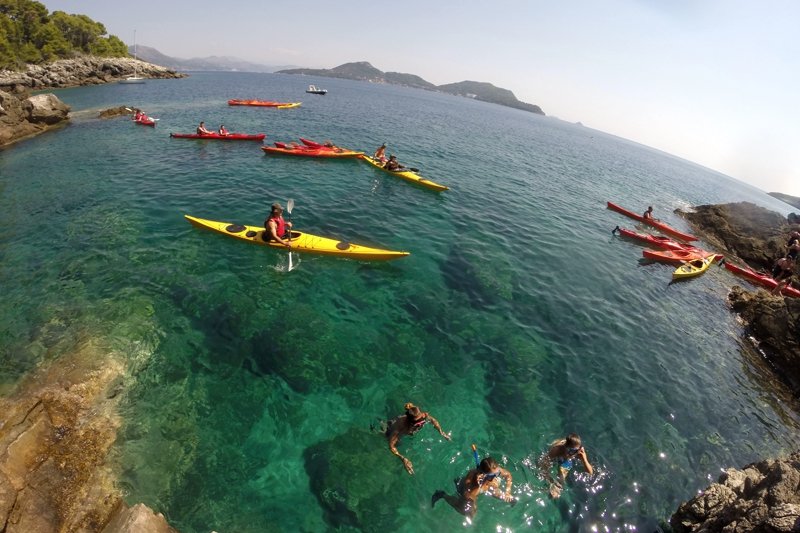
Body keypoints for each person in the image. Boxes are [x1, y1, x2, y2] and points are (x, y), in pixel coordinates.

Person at [431, 456, 515, 519]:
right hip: (467, 491)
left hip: (487, 487)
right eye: (491, 476)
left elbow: (508, 475)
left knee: (511, 499)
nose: (494, 478)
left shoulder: (495, 470)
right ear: (482, 474)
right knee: (469, 512)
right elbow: (467, 495)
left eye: (496, 474)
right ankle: (442, 495)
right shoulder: (472, 476)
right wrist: (476, 486)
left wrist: (508, 491)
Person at [384, 402, 450, 475]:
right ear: (411, 423)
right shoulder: (401, 428)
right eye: (419, 424)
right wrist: (403, 458)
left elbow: (433, 420)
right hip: (389, 428)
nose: (422, 424)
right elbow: (391, 446)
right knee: (398, 444)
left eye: (423, 421)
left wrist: (441, 432)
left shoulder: (422, 416)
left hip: (408, 422)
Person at [538, 433, 594, 499]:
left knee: (561, 479)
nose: (573, 453)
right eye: (571, 450)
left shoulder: (578, 452)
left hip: (565, 461)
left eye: (575, 451)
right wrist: (550, 480)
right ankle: (551, 488)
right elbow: (544, 464)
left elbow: (590, 473)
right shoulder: (557, 449)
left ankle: (555, 489)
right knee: (544, 472)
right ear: (566, 446)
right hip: (558, 457)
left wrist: (584, 459)